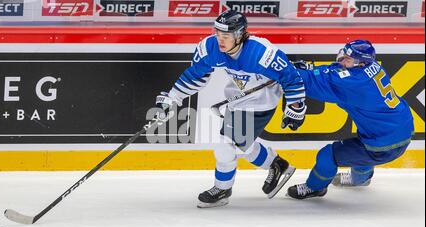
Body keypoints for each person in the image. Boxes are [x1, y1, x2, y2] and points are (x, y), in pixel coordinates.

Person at [153, 10, 307, 208]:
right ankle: (277, 165)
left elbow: (291, 77)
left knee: (225, 145)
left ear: (240, 34)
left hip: (261, 102)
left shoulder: (261, 54)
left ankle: (222, 188)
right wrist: (172, 98)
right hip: (239, 100)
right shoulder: (211, 48)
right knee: (243, 144)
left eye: (225, 36)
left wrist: (295, 108)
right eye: (218, 34)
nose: (220, 40)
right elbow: (195, 75)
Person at [286, 40, 414, 199]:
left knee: (328, 155)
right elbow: (336, 72)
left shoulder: (353, 83)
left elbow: (316, 83)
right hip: (399, 129)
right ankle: (360, 179)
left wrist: (289, 72)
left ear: (360, 63)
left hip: (383, 144)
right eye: (344, 55)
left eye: (347, 58)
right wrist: (312, 68)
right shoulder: (373, 67)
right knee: (361, 147)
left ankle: (314, 188)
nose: (342, 60)